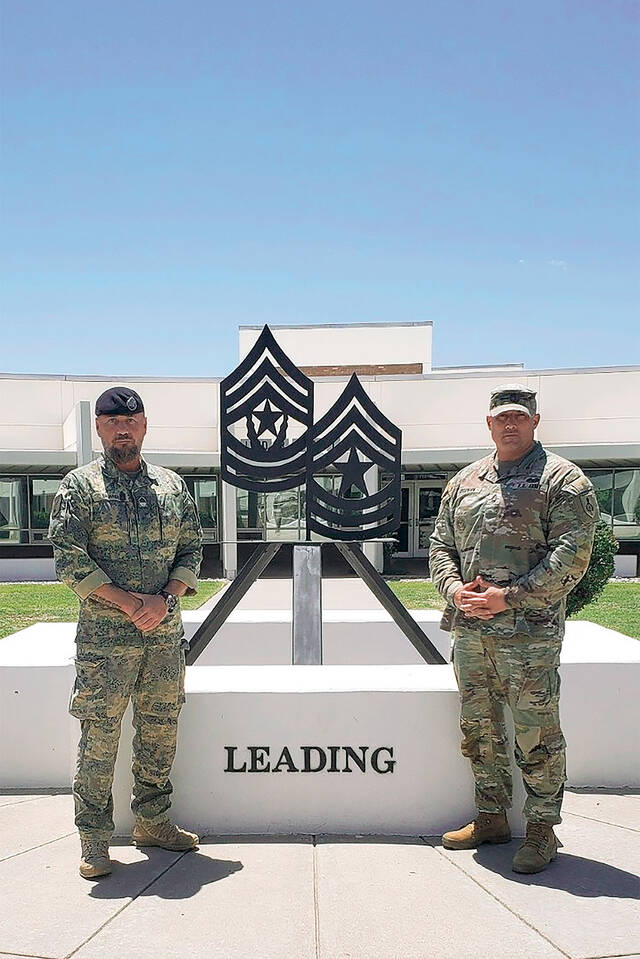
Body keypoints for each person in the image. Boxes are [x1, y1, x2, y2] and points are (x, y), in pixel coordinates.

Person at [429, 384, 599, 873]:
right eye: (501, 417)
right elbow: (440, 546)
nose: (510, 424)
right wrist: (455, 590)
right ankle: (491, 816)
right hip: (472, 631)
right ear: (488, 423)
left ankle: (543, 829)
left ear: (535, 421)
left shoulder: (563, 480)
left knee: (535, 731)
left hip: (529, 633)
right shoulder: (465, 482)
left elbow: (573, 556)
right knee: (479, 725)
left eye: (519, 417)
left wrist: (511, 596)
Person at [49, 387, 203, 880]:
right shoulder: (79, 487)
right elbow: (70, 560)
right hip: (104, 642)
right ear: (98, 427)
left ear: (144, 424)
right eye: (112, 420)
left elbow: (192, 551)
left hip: (163, 638)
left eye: (130, 419)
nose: (122, 427)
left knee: (160, 730)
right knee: (100, 737)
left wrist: (165, 601)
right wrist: (132, 604)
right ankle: (94, 841)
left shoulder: (172, 486)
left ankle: (153, 822)